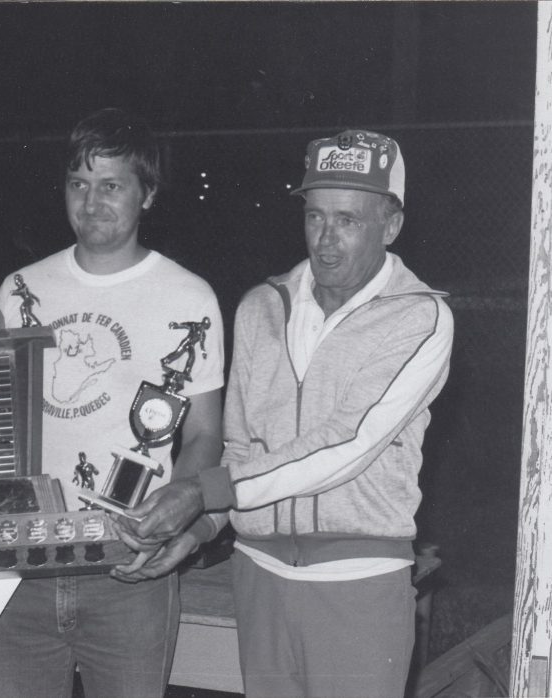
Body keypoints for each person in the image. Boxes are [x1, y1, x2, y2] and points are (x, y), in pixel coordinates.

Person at [116, 129, 455, 698]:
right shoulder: (260, 307)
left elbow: (347, 444)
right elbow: (244, 451)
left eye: (348, 220)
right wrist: (200, 529)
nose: (326, 240)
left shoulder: (420, 319)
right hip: (260, 575)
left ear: (390, 226)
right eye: (315, 217)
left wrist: (202, 492)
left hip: (360, 581)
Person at [0, 107, 224, 698]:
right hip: (23, 566)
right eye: (79, 184)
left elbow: (205, 433)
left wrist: (179, 512)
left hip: (128, 567)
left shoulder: (190, 296)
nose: (92, 201)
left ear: (147, 194)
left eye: (111, 185)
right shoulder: (21, 289)